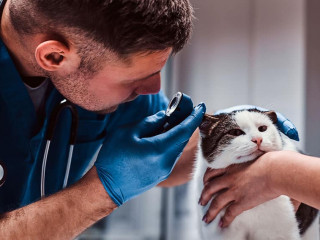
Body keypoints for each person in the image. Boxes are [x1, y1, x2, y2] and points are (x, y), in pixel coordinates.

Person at [0, 0, 207, 238]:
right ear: (55, 57)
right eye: (133, 80)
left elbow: (181, 160)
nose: (154, 89)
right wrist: (101, 192)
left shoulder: (98, 59)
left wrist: (246, 136)